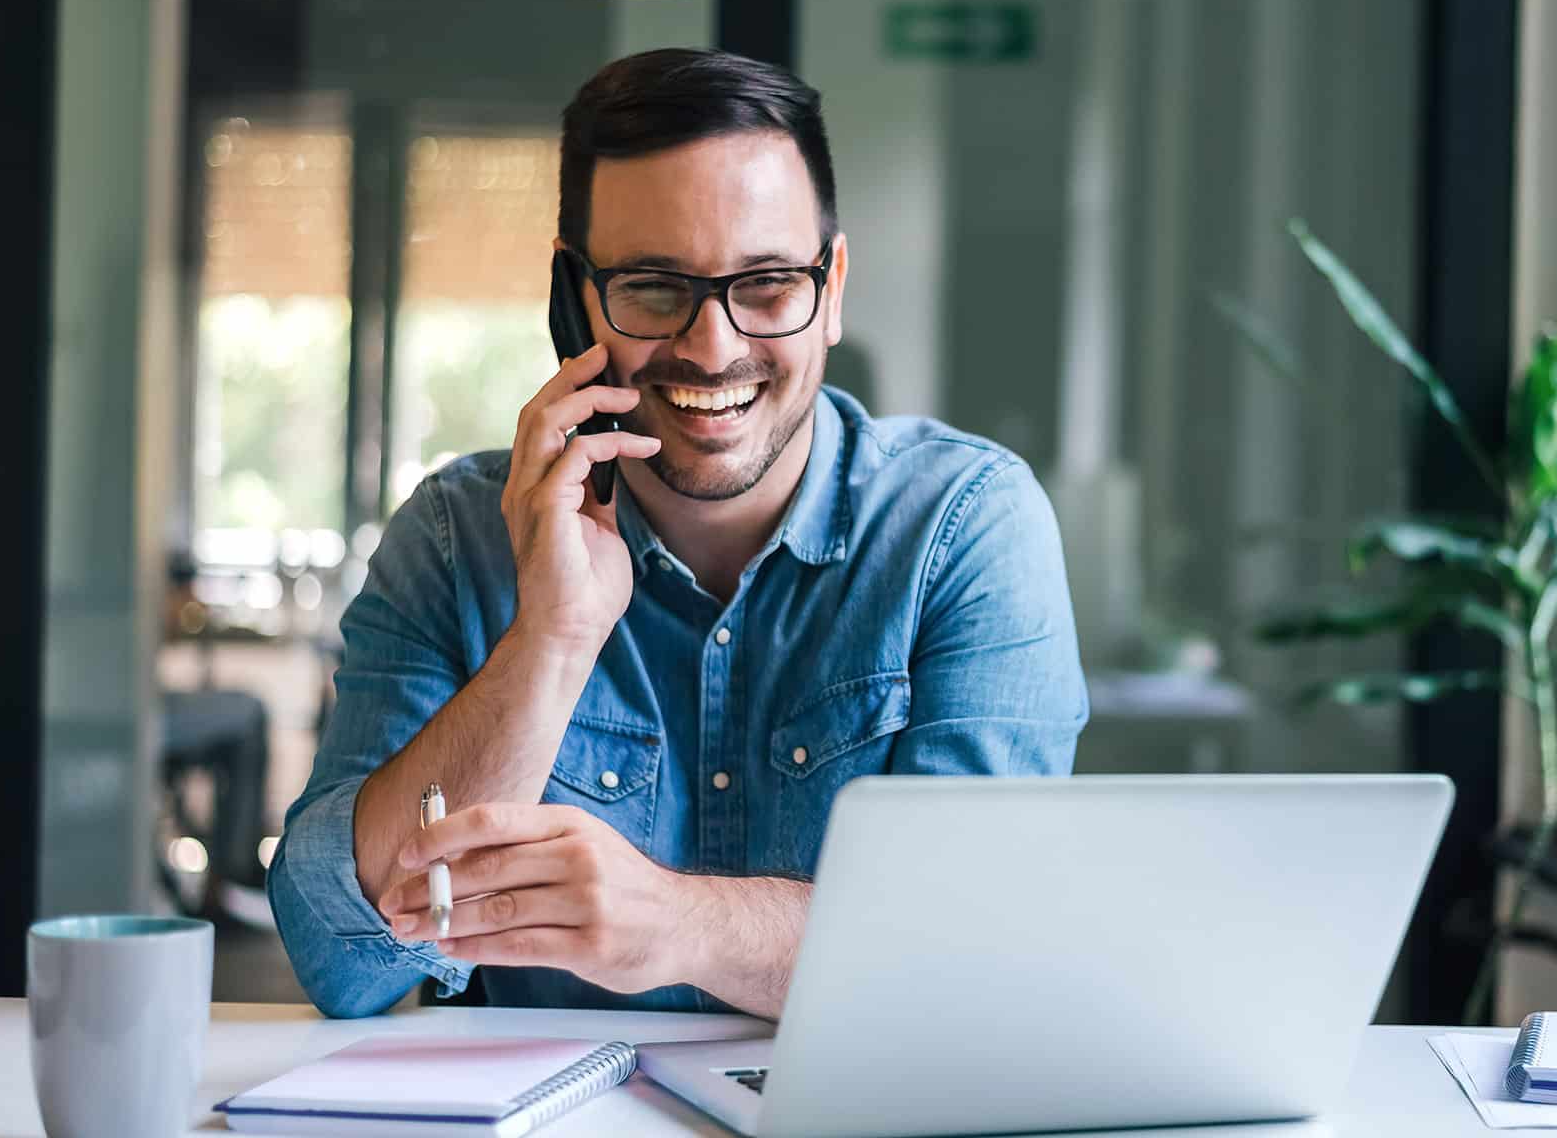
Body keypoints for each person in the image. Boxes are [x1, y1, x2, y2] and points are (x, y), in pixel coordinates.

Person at [267, 49, 1088, 1020]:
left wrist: (674, 923)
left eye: (768, 284)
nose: (713, 346)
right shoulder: (456, 538)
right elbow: (340, 960)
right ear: (576, 298)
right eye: (655, 287)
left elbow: (978, 955)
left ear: (832, 287)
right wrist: (551, 641)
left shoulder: (963, 527)